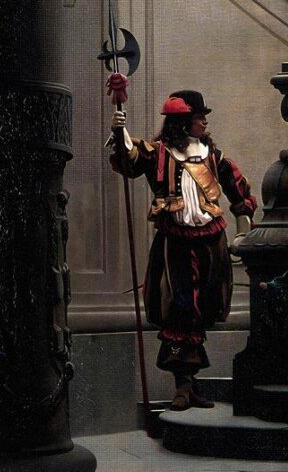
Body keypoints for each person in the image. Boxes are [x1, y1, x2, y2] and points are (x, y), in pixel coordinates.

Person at [109, 89, 256, 411]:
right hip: (175, 241)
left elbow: (238, 192)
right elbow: (129, 161)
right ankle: (183, 385)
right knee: (180, 308)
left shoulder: (213, 156)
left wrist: (243, 230)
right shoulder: (158, 153)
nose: (204, 122)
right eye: (199, 117)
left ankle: (192, 385)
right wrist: (119, 131)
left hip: (211, 241)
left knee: (202, 307)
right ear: (182, 123)